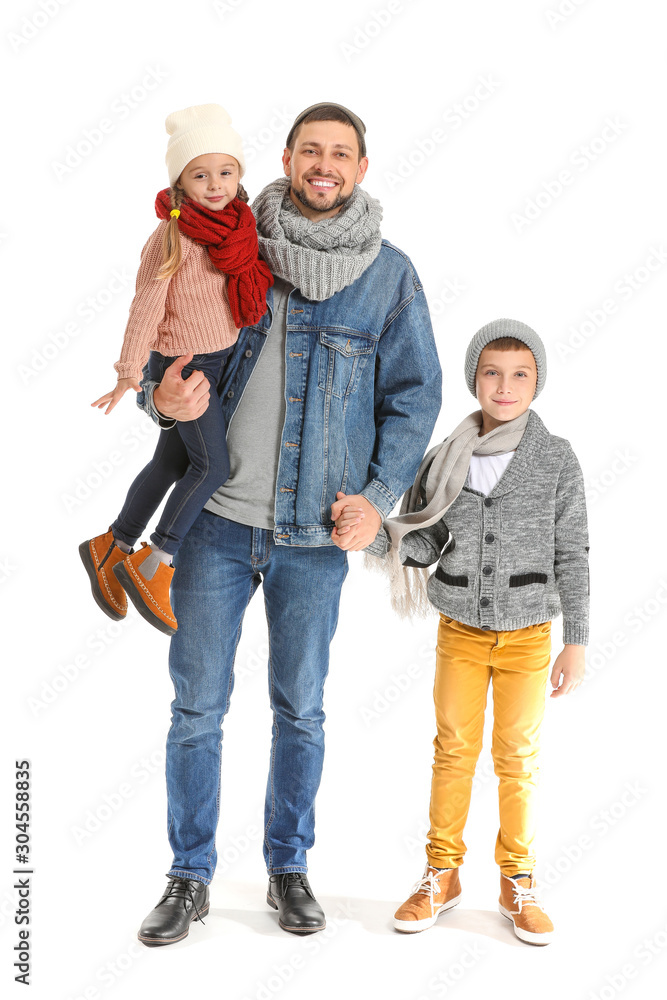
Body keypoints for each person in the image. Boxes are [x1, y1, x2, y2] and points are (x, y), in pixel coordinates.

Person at [132, 102, 442, 945]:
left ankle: (287, 867)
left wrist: (377, 497)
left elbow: (414, 398)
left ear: (360, 169)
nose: (325, 164)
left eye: (341, 153)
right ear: (286, 156)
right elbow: (164, 341)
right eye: (312, 149)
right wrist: (156, 397)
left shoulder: (389, 275)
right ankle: (188, 875)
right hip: (213, 528)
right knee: (196, 707)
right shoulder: (228, 245)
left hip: (316, 536)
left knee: (299, 708)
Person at [360, 319, 588, 945]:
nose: (505, 385)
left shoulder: (556, 458)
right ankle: (442, 874)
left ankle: (518, 880)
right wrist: (379, 536)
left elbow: (573, 552)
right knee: (453, 750)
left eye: (520, 373)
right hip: (459, 628)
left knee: (517, 760)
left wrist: (578, 638)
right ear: (474, 380)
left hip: (529, 635)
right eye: (492, 372)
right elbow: (428, 535)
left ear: (537, 381)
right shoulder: (447, 456)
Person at [79, 104, 272, 635]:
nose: (215, 184)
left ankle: (111, 544)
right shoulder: (171, 237)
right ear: (181, 182)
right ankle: (155, 561)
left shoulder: (239, 227)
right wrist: (129, 372)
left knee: (170, 462)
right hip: (184, 365)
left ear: (240, 174)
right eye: (200, 174)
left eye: (226, 172)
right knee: (213, 469)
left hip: (219, 360)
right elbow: (145, 308)